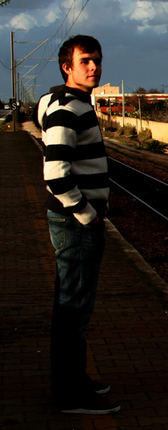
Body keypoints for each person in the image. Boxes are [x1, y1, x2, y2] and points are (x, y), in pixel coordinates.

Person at [34, 35, 120, 415]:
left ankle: (76, 380)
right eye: (85, 61)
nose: (94, 67)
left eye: (97, 60)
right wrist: (87, 214)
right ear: (66, 66)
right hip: (76, 224)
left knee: (72, 306)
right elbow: (55, 173)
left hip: (74, 222)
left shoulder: (57, 102)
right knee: (73, 310)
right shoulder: (70, 107)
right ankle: (71, 396)